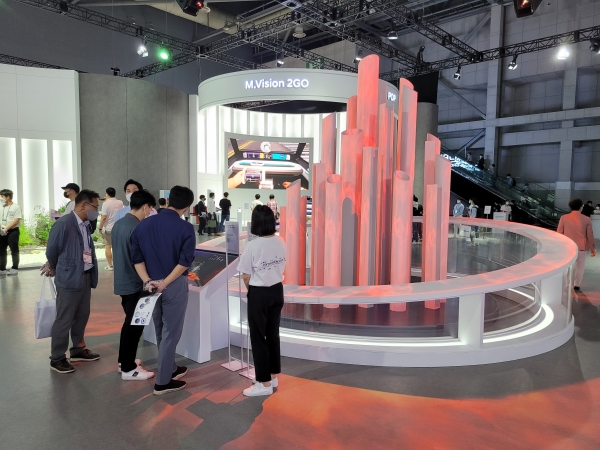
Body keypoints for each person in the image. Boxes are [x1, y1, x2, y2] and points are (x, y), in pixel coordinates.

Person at [131, 185, 196, 395]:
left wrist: (148, 281)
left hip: (151, 285)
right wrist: (165, 282)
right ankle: (163, 381)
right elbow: (184, 262)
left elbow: (136, 258)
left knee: (160, 328)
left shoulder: (143, 225)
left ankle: (170, 367)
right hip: (173, 284)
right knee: (171, 333)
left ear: (168, 201)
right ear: (187, 207)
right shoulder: (185, 228)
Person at [44, 190, 101, 374]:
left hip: (85, 276)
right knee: (64, 318)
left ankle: (77, 349)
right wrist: (56, 266)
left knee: (82, 315)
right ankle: (57, 358)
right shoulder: (64, 224)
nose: (97, 211)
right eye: (95, 207)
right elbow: (52, 250)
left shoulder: (86, 225)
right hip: (69, 278)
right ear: (84, 205)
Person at [237, 205, 287, 397]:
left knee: (258, 338)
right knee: (272, 334)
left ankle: (264, 383)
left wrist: (254, 293)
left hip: (259, 293)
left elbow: (246, 275)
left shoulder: (253, 245)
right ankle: (272, 376)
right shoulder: (280, 241)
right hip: (277, 291)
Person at [112, 190, 156, 381]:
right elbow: (142, 258)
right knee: (134, 327)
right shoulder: (138, 228)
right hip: (136, 284)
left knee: (129, 324)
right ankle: (129, 369)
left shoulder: (119, 224)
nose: (150, 212)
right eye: (150, 208)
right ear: (145, 206)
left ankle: (124, 361)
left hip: (123, 281)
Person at [557, 199, 596, 290]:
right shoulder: (587, 219)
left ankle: (568, 283)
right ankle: (577, 284)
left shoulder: (564, 218)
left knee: (566, 266)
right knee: (580, 266)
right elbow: (589, 235)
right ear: (581, 207)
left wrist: (559, 246)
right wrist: (592, 248)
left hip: (567, 246)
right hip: (581, 246)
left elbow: (559, 233)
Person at [98, 187, 123, 271]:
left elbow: (104, 217)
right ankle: (119, 264)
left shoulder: (105, 203)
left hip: (108, 229)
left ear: (107, 194)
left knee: (108, 246)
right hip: (118, 228)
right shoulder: (120, 202)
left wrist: (100, 227)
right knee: (117, 247)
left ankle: (110, 265)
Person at [0, 189, 22, 276]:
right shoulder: (1, 206)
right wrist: (1, 228)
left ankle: (14, 268)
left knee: (14, 249)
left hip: (12, 231)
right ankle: (2, 268)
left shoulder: (16, 207)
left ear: (8, 197)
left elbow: (16, 221)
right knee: (1, 250)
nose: (0, 198)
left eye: (2, 196)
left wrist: (6, 229)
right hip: (1, 231)